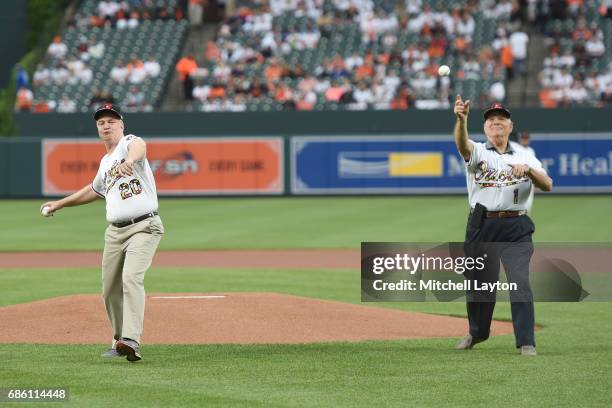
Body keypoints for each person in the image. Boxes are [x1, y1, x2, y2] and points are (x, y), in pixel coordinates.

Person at [40, 104, 164, 362]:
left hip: (144, 226)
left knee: (131, 278)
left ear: (121, 125)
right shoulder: (105, 162)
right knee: (109, 290)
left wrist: (130, 161)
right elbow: (93, 191)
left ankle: (132, 339)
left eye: (111, 120)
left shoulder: (128, 144)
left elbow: (139, 146)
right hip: (114, 233)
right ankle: (120, 340)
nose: (106, 125)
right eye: (101, 122)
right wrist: (59, 204)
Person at [453, 96, 553, 356]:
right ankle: (477, 333)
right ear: (485, 128)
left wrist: (529, 171)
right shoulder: (477, 151)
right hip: (481, 225)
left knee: (519, 282)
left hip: (515, 226)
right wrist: (461, 120)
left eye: (501, 120)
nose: (496, 123)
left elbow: (548, 184)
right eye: (491, 121)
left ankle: (526, 341)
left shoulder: (524, 155)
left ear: (510, 126)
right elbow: (462, 145)